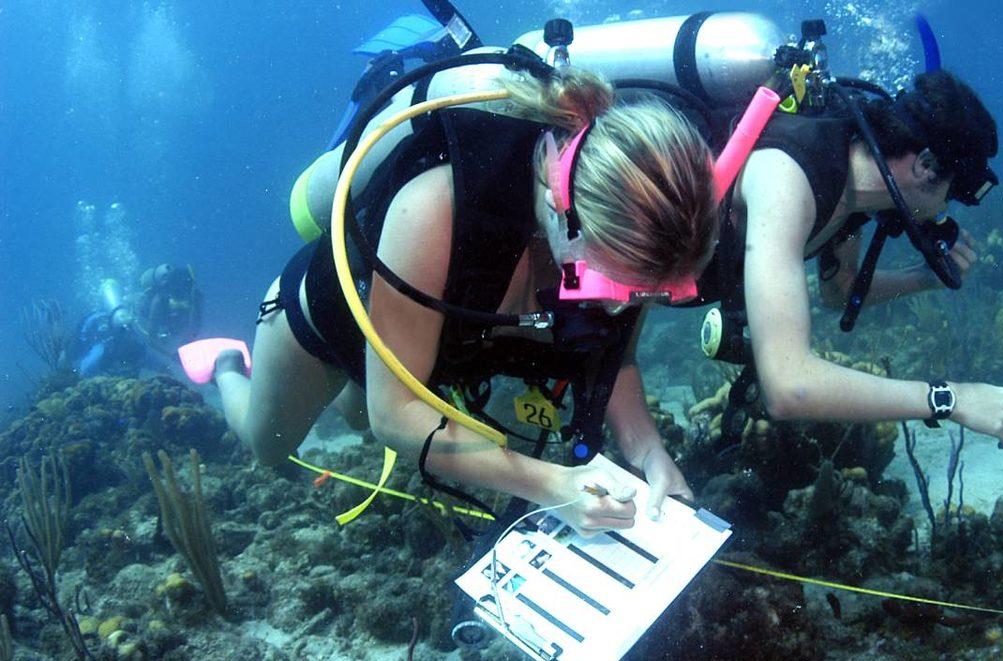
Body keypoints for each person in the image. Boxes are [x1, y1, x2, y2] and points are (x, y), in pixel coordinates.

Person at [185, 60, 719, 536]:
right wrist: (554, 486)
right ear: (563, 206)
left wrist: (650, 454)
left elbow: (614, 355)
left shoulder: (638, 238)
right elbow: (394, 416)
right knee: (269, 443)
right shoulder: (437, 208)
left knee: (355, 415)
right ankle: (230, 363)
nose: (619, 309)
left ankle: (362, 377)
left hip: (425, 346)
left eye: (645, 295)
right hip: (330, 321)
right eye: (604, 287)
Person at [704, 69, 1003, 446]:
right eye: (952, 194)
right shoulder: (787, 180)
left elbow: (839, 291)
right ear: (925, 166)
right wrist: (950, 399)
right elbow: (788, 386)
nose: (944, 210)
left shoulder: (853, 187)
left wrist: (926, 276)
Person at [135, 263, 202, 354]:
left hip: (170, 325)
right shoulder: (160, 298)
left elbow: (195, 321)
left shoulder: (192, 294)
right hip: (154, 320)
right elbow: (152, 332)